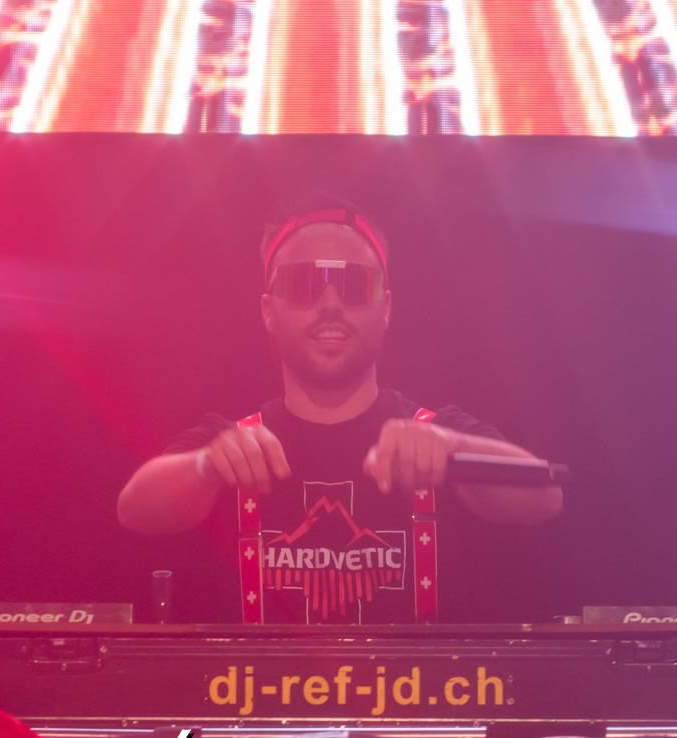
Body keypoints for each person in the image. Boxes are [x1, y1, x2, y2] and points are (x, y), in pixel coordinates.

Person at [117, 202, 562, 624]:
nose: (330, 304)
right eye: (303, 284)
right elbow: (135, 509)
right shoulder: (230, 442)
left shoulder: (437, 433)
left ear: (385, 308)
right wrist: (206, 466)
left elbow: (545, 497)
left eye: (354, 285)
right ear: (268, 311)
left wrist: (454, 449)